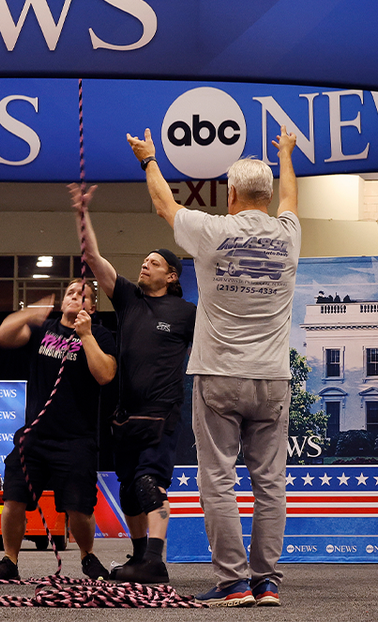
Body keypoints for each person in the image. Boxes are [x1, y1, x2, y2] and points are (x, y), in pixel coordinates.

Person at [126, 127, 300, 607]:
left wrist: (149, 161)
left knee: (218, 478)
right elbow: (290, 197)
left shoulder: (213, 231)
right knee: (270, 483)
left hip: (219, 375)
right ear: (263, 195)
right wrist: (285, 154)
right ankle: (266, 583)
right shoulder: (289, 235)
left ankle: (234, 582)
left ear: (232, 195)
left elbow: (166, 207)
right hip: (272, 378)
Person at [68, 183, 197, 585]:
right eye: (143, 260)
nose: (144, 265)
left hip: (161, 413)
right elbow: (93, 257)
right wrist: (82, 213)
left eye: (153, 263)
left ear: (171, 275)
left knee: (148, 482)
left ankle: (156, 561)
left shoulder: (186, 312)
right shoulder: (128, 299)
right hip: (124, 417)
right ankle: (140, 558)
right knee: (127, 488)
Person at [0, 279, 117, 582]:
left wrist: (86, 335)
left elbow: (106, 374)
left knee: (78, 507)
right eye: (69, 293)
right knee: (14, 498)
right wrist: (32, 311)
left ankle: (88, 557)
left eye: (81, 296)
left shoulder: (101, 336)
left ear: (91, 307)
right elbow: (3, 335)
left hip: (76, 439)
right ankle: (9, 560)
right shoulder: (44, 331)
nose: (73, 297)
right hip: (35, 436)